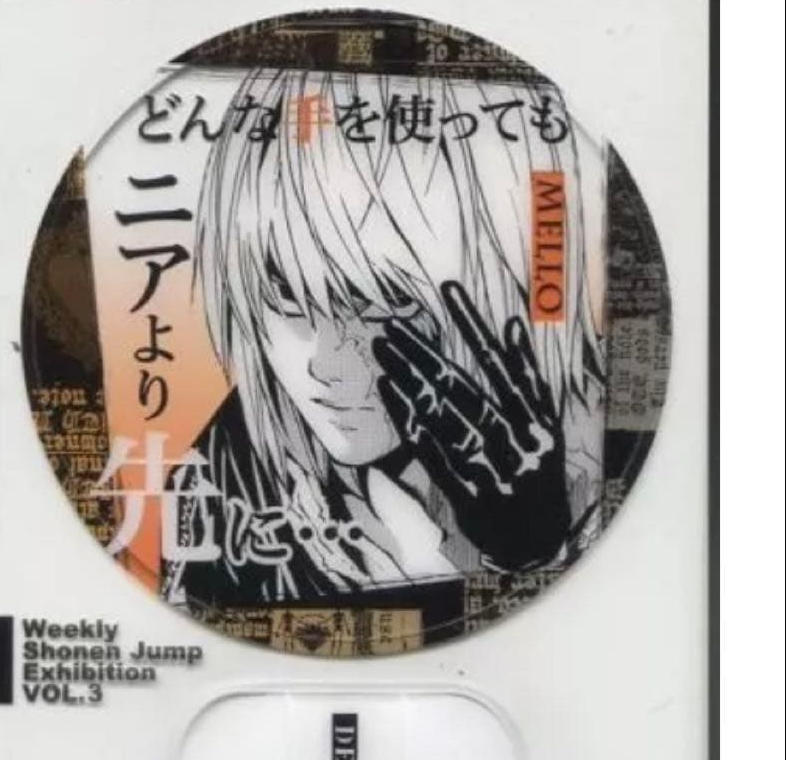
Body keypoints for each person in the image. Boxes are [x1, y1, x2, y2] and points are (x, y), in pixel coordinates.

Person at [162, 68, 605, 613]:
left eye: (390, 300)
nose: (325, 363)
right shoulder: (222, 479)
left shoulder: (611, 449)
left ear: (502, 280)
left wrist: (534, 552)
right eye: (286, 294)